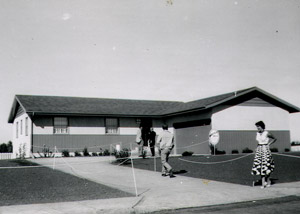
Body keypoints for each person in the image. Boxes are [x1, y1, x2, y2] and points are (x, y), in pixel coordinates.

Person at [251, 121, 277, 188]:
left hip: (265, 149)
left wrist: (268, 144)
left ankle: (267, 181)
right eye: (257, 127)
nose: (258, 128)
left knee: (266, 165)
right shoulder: (257, 133)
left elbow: (275, 138)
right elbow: (259, 142)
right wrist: (257, 148)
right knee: (260, 166)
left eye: (258, 126)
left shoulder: (266, 133)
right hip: (259, 150)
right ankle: (264, 182)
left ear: (262, 126)